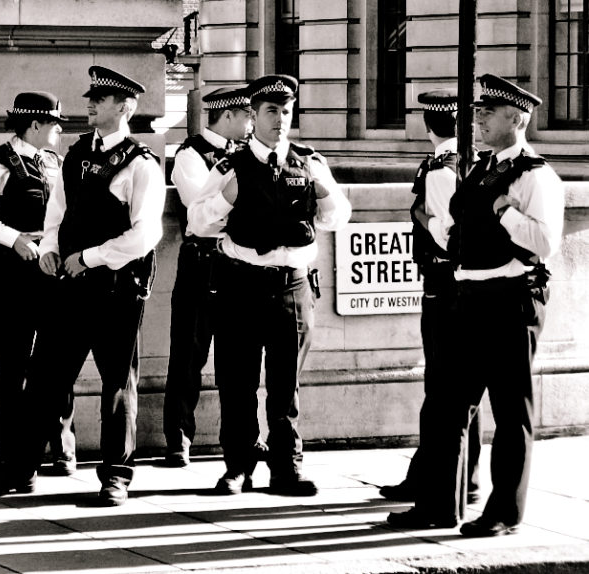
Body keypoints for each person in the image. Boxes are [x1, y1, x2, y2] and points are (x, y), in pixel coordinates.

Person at [390, 75, 564, 537]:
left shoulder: (535, 174)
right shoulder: (479, 170)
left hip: (511, 300)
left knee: (510, 413)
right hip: (467, 298)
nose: (478, 118)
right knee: (448, 406)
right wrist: (433, 227)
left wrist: (506, 211)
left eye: (488, 111)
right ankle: (438, 505)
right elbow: (458, 234)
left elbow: (545, 242)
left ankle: (504, 512)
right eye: (478, 111)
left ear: (516, 118)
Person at [0, 66, 165, 506]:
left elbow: (145, 236)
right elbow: (58, 212)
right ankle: (21, 469)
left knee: (117, 383)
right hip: (70, 285)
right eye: (91, 97)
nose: (90, 104)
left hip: (116, 288)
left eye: (101, 99)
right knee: (47, 377)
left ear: (124, 107)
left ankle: (116, 476)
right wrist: (49, 247)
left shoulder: (140, 163)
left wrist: (88, 258)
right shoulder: (76, 153)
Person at [187, 74, 351, 497]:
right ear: (254, 116)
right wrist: (229, 197)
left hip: (290, 287)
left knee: (285, 385)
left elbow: (337, 218)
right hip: (240, 284)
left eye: (286, 111)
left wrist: (321, 191)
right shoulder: (229, 166)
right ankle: (237, 466)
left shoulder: (309, 162)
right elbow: (198, 222)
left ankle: (286, 466)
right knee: (236, 381)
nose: (280, 120)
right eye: (271, 111)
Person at [380, 89, 482, 508]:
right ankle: (455, 475)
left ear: (427, 125)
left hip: (443, 287)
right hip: (457, 288)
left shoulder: (442, 170)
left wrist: (421, 215)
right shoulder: (464, 161)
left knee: (442, 390)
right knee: (456, 393)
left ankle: (440, 478)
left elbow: (446, 237)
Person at [0, 91, 77, 480]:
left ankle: (60, 445)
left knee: (55, 362)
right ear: (34, 125)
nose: (59, 130)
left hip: (52, 272)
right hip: (14, 273)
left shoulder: (57, 163)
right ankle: (8, 453)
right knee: (13, 364)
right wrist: (12, 238)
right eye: (53, 123)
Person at [161, 85, 253, 469]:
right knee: (188, 354)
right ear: (227, 116)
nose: (252, 123)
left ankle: (245, 439)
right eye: (247, 115)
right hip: (203, 262)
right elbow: (202, 209)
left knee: (240, 360)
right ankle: (179, 437)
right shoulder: (190, 154)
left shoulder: (249, 155)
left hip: (239, 263)